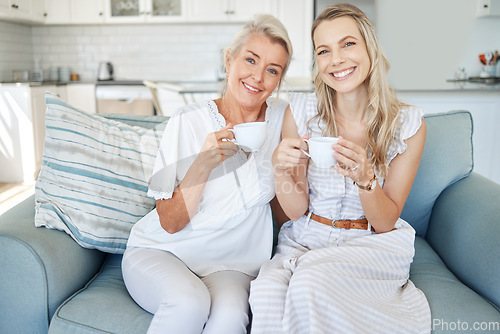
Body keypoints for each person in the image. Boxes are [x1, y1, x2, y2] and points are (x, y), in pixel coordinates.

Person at [249, 4, 431, 333]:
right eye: (324, 50)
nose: (337, 60)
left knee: (310, 284)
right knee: (264, 295)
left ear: (369, 48)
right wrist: (281, 171)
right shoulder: (302, 112)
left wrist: (366, 179)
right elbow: (295, 211)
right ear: (317, 63)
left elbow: (385, 221)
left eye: (348, 44)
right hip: (305, 240)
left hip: (371, 244)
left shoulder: (408, 125)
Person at [121, 14, 292, 334]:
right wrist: (202, 163)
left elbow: (282, 210)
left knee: (229, 319)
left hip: (233, 267)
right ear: (229, 61)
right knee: (190, 303)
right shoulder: (188, 119)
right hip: (162, 253)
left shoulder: (284, 118)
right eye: (250, 60)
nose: (258, 77)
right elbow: (170, 223)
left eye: (272, 70)